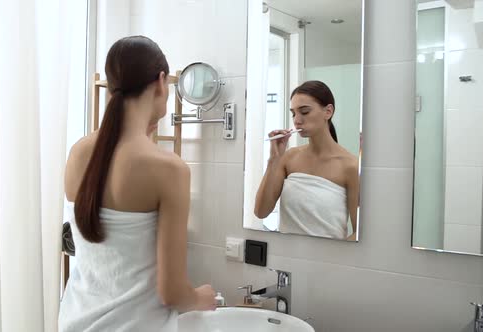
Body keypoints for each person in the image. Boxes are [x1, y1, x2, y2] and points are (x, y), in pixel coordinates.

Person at [59, 36, 216, 332]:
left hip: (75, 321)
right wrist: (200, 297)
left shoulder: (79, 152)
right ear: (160, 82)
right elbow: (172, 292)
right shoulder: (169, 168)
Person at [254, 80, 359, 241]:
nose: (296, 119)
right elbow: (261, 212)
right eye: (293, 113)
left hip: (327, 263)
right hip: (285, 261)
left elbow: (360, 235)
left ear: (328, 111)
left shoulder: (350, 166)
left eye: (304, 112)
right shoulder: (288, 158)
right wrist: (274, 160)